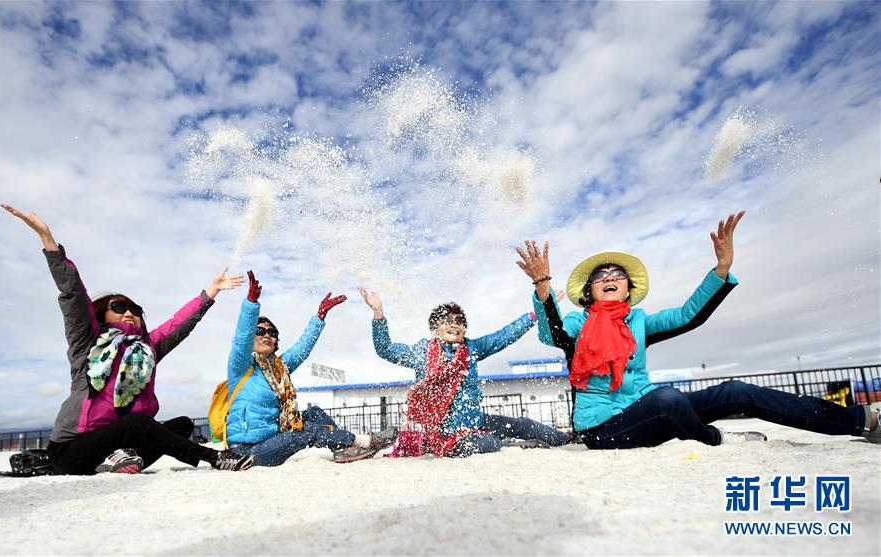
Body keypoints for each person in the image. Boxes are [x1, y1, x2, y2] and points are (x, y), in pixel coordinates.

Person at [516, 211, 881, 448]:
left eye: (617, 275)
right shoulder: (580, 323)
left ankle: (860, 420)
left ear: (628, 288)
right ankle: (716, 438)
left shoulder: (639, 322)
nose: (609, 278)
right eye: (601, 276)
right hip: (603, 427)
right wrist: (544, 289)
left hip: (650, 409)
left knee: (734, 390)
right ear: (588, 291)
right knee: (668, 399)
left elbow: (689, 316)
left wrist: (721, 268)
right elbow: (555, 334)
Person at [2, 204, 255, 474]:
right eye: (119, 308)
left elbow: (178, 325)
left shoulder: (148, 348)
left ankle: (122, 461)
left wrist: (210, 292)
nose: (129, 314)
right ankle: (217, 458)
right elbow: (74, 296)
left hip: (121, 441)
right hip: (74, 448)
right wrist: (49, 242)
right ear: (102, 314)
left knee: (181, 425)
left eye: (135, 310)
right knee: (138, 423)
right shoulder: (88, 340)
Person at [358, 287, 569, 457]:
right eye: (446, 320)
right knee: (485, 444)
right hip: (443, 433)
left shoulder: (472, 349)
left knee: (525, 424)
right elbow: (385, 349)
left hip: (474, 420)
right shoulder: (421, 353)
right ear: (434, 330)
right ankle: (514, 447)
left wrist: (537, 314)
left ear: (465, 330)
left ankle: (566, 439)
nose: (454, 324)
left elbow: (503, 336)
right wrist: (378, 313)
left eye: (459, 321)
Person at [225, 272, 396, 465]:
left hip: (272, 437)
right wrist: (251, 304)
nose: (267, 336)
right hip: (247, 450)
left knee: (313, 413)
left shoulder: (279, 369)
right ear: (251, 337)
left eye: (272, 333)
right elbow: (241, 340)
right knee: (304, 431)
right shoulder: (240, 367)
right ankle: (364, 441)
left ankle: (342, 449)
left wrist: (320, 317)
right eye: (260, 331)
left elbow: (301, 349)